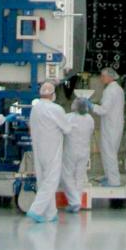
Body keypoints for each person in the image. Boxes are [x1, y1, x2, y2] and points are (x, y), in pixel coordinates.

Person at [28, 81, 70, 223]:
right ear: (53, 95)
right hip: (52, 149)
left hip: (38, 149)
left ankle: (50, 213)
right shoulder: (56, 109)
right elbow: (67, 129)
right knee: (51, 181)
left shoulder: (35, 108)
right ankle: (36, 209)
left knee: (43, 180)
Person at [91, 67, 125, 186]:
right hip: (113, 125)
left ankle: (113, 181)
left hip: (111, 126)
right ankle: (108, 177)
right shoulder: (117, 89)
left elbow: (103, 110)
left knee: (109, 153)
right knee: (109, 152)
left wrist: (91, 106)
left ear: (110, 77)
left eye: (103, 76)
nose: (101, 78)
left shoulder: (110, 90)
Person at [61, 97, 95, 212]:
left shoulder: (69, 117)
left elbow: (62, 129)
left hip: (71, 151)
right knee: (79, 177)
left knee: (67, 175)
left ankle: (74, 202)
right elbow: (91, 131)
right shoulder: (90, 119)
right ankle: (77, 202)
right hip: (84, 151)